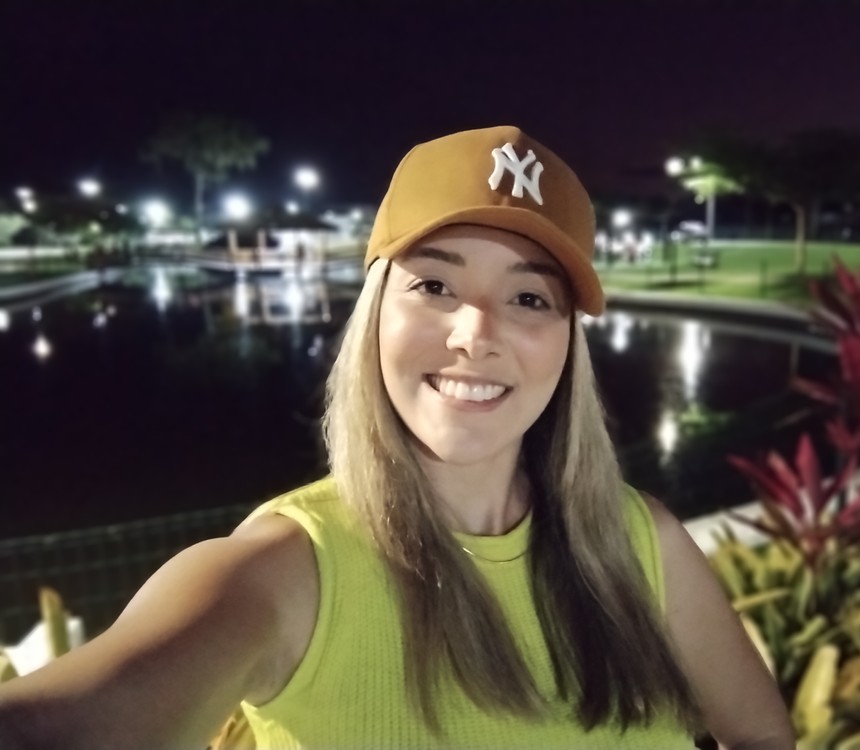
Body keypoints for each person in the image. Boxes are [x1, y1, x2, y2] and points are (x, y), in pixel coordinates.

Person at [0, 126, 795, 749]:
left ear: (567, 342)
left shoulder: (642, 542)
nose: (475, 333)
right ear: (377, 312)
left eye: (529, 297)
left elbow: (760, 734)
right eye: (435, 284)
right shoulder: (281, 573)